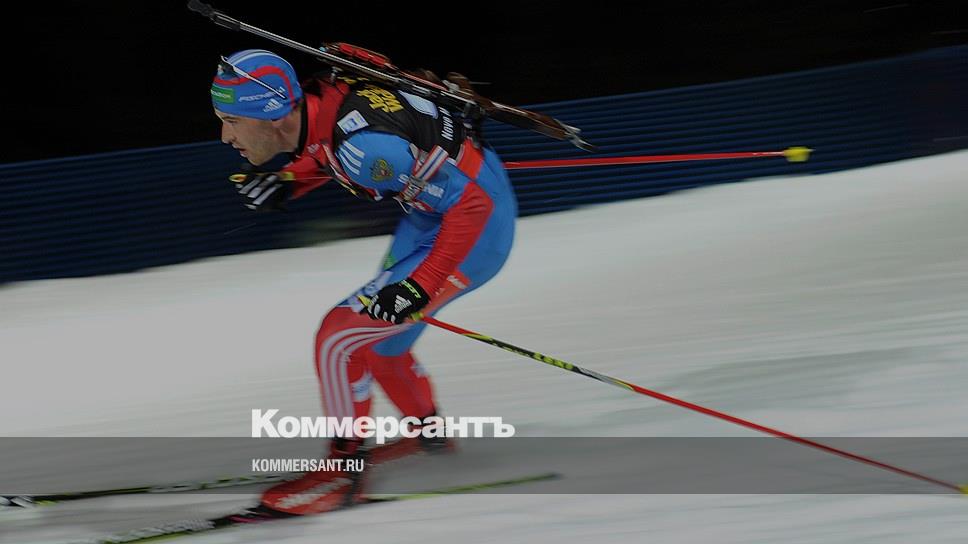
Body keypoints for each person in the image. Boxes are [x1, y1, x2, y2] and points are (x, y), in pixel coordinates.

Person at [210, 49, 518, 515]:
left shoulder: (366, 148)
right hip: (431, 214)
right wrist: (289, 181)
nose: (225, 135)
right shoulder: (321, 105)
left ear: (272, 114)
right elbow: (327, 150)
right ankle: (430, 440)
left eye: (232, 120)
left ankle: (343, 474)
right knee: (380, 344)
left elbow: (471, 205)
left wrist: (419, 287)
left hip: (474, 232)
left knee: (338, 338)